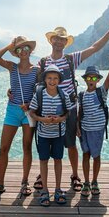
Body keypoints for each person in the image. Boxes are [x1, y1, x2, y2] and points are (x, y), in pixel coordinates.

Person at [32, 21, 109, 192]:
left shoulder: (71, 59)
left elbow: (95, 47)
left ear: (66, 42)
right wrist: (12, 91)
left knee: (71, 144)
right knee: (46, 143)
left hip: (70, 109)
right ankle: (43, 175)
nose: (58, 42)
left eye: (62, 39)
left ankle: (75, 175)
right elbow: (30, 78)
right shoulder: (42, 62)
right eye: (56, 39)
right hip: (47, 110)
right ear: (51, 41)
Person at [0, 36, 38, 198]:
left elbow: (40, 91)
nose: (23, 51)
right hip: (12, 111)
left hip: (29, 113)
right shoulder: (12, 67)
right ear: (16, 52)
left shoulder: (37, 70)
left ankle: (24, 183)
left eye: (26, 48)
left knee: (26, 148)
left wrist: (30, 104)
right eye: (19, 49)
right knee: (3, 148)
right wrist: (10, 45)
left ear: (30, 50)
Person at [28, 64, 74, 206]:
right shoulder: (39, 94)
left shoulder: (63, 95)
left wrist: (61, 119)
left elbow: (68, 112)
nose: (52, 81)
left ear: (59, 80)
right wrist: (43, 120)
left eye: (55, 78)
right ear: (45, 79)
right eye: (49, 78)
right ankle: (45, 190)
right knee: (43, 161)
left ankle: (58, 189)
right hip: (43, 134)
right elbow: (31, 112)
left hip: (59, 134)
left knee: (58, 160)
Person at [78, 56, 109, 196]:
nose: (91, 80)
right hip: (84, 129)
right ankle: (86, 182)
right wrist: (77, 128)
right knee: (85, 154)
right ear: (85, 79)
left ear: (98, 80)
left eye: (94, 78)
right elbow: (80, 111)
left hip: (97, 129)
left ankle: (95, 181)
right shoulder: (81, 94)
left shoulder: (101, 92)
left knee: (96, 155)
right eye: (89, 78)